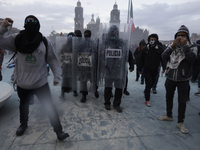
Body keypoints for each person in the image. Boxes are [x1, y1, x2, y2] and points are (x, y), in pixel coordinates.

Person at [0, 16, 69, 141]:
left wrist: (57, 75)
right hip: (22, 83)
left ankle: (59, 130)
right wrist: (3, 28)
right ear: (25, 25)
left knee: (49, 107)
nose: (31, 26)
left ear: (38, 26)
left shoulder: (44, 42)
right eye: (29, 23)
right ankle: (23, 124)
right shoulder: (17, 39)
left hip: (40, 83)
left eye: (34, 23)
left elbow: (52, 59)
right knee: (23, 105)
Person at [157, 25, 197, 134]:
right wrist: (171, 46)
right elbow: (164, 56)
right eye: (179, 35)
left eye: (183, 35)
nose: (181, 37)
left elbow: (192, 58)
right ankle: (169, 115)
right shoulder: (172, 46)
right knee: (168, 97)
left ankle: (180, 121)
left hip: (183, 79)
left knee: (182, 101)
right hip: (170, 77)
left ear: (187, 37)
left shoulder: (192, 46)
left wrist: (185, 47)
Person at [103, 25, 128, 113]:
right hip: (108, 69)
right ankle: (107, 102)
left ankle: (116, 104)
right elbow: (101, 54)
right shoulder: (106, 42)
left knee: (119, 88)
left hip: (119, 69)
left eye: (115, 31)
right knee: (108, 88)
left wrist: (131, 63)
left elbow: (127, 53)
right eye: (112, 31)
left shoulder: (121, 42)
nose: (114, 33)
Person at [138, 34, 166, 107]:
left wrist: (164, 68)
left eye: (154, 39)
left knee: (152, 83)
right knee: (148, 83)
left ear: (156, 40)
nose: (152, 41)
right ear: (149, 40)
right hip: (147, 69)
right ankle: (147, 99)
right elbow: (141, 60)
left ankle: (146, 91)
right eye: (151, 39)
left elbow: (163, 59)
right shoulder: (145, 49)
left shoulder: (160, 49)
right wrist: (139, 69)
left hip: (155, 69)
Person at [59, 32, 78, 99]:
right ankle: (63, 92)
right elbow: (61, 54)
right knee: (65, 79)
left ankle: (74, 90)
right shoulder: (65, 46)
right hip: (66, 66)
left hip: (72, 65)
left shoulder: (76, 46)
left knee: (72, 79)